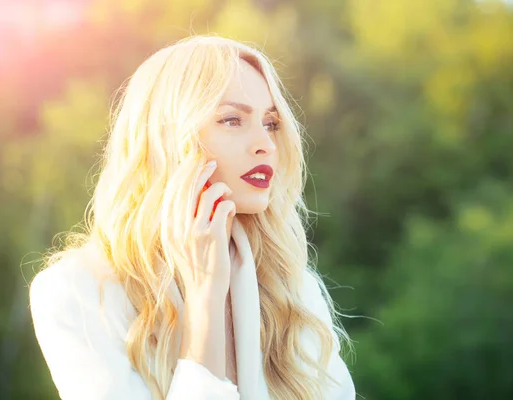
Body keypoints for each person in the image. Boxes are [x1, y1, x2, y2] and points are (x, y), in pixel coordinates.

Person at [28, 35, 356, 400]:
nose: (265, 143)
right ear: (168, 139)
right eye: (233, 120)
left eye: (271, 123)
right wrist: (205, 302)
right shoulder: (77, 292)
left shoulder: (292, 289)